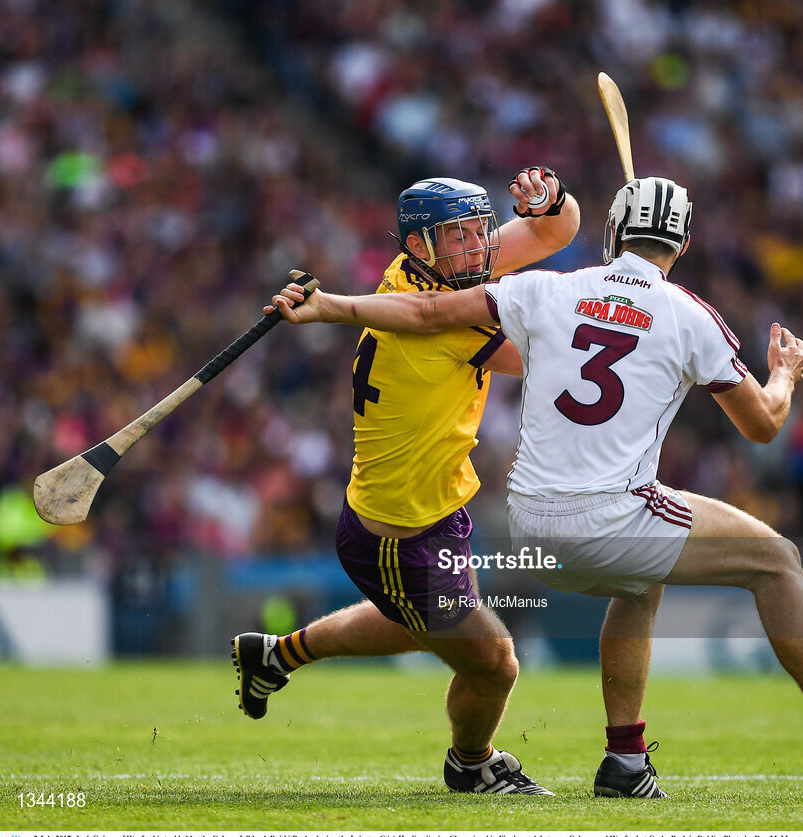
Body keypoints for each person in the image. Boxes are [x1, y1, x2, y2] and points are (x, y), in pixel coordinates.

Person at [270, 176, 803, 798]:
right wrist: (786, 372)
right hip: (602, 519)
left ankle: (626, 760)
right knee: (778, 561)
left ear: (613, 230)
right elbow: (763, 424)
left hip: (529, 524)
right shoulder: (690, 314)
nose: (480, 246)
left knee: (639, 582)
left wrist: (328, 305)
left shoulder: (548, 291)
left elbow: (427, 311)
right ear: (685, 244)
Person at [232, 167, 579, 796]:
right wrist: (631, 299)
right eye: (460, 236)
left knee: (422, 623)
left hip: (435, 509)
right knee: (494, 663)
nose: (479, 247)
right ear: (420, 246)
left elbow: (554, 231)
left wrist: (552, 202)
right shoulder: (442, 317)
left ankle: (275, 656)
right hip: (399, 534)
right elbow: (545, 361)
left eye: (480, 229)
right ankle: (472, 766)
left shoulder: (434, 272)